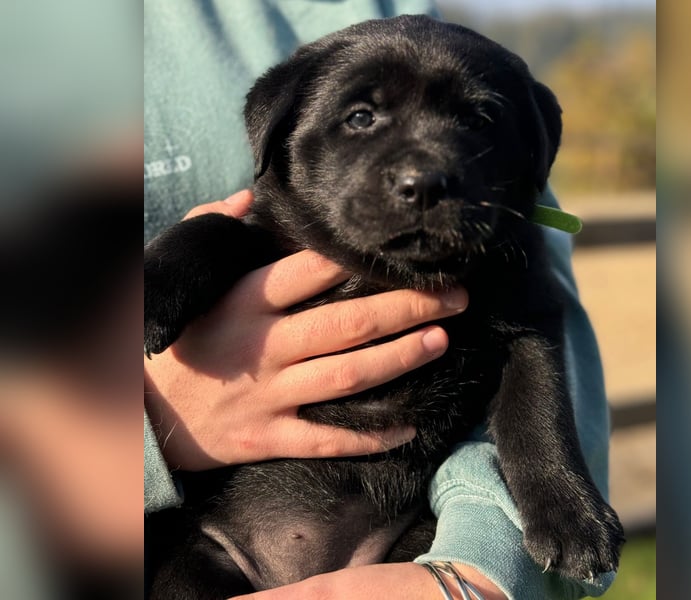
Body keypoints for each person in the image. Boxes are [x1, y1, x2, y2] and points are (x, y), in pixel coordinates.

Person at [144, 1, 615, 598]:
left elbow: (530, 344)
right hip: (217, 540)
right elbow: (232, 237)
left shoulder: (501, 255)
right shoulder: (265, 233)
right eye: (362, 117)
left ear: (533, 149)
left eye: (475, 122)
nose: (422, 170)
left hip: (407, 544)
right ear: (278, 135)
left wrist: (508, 535)